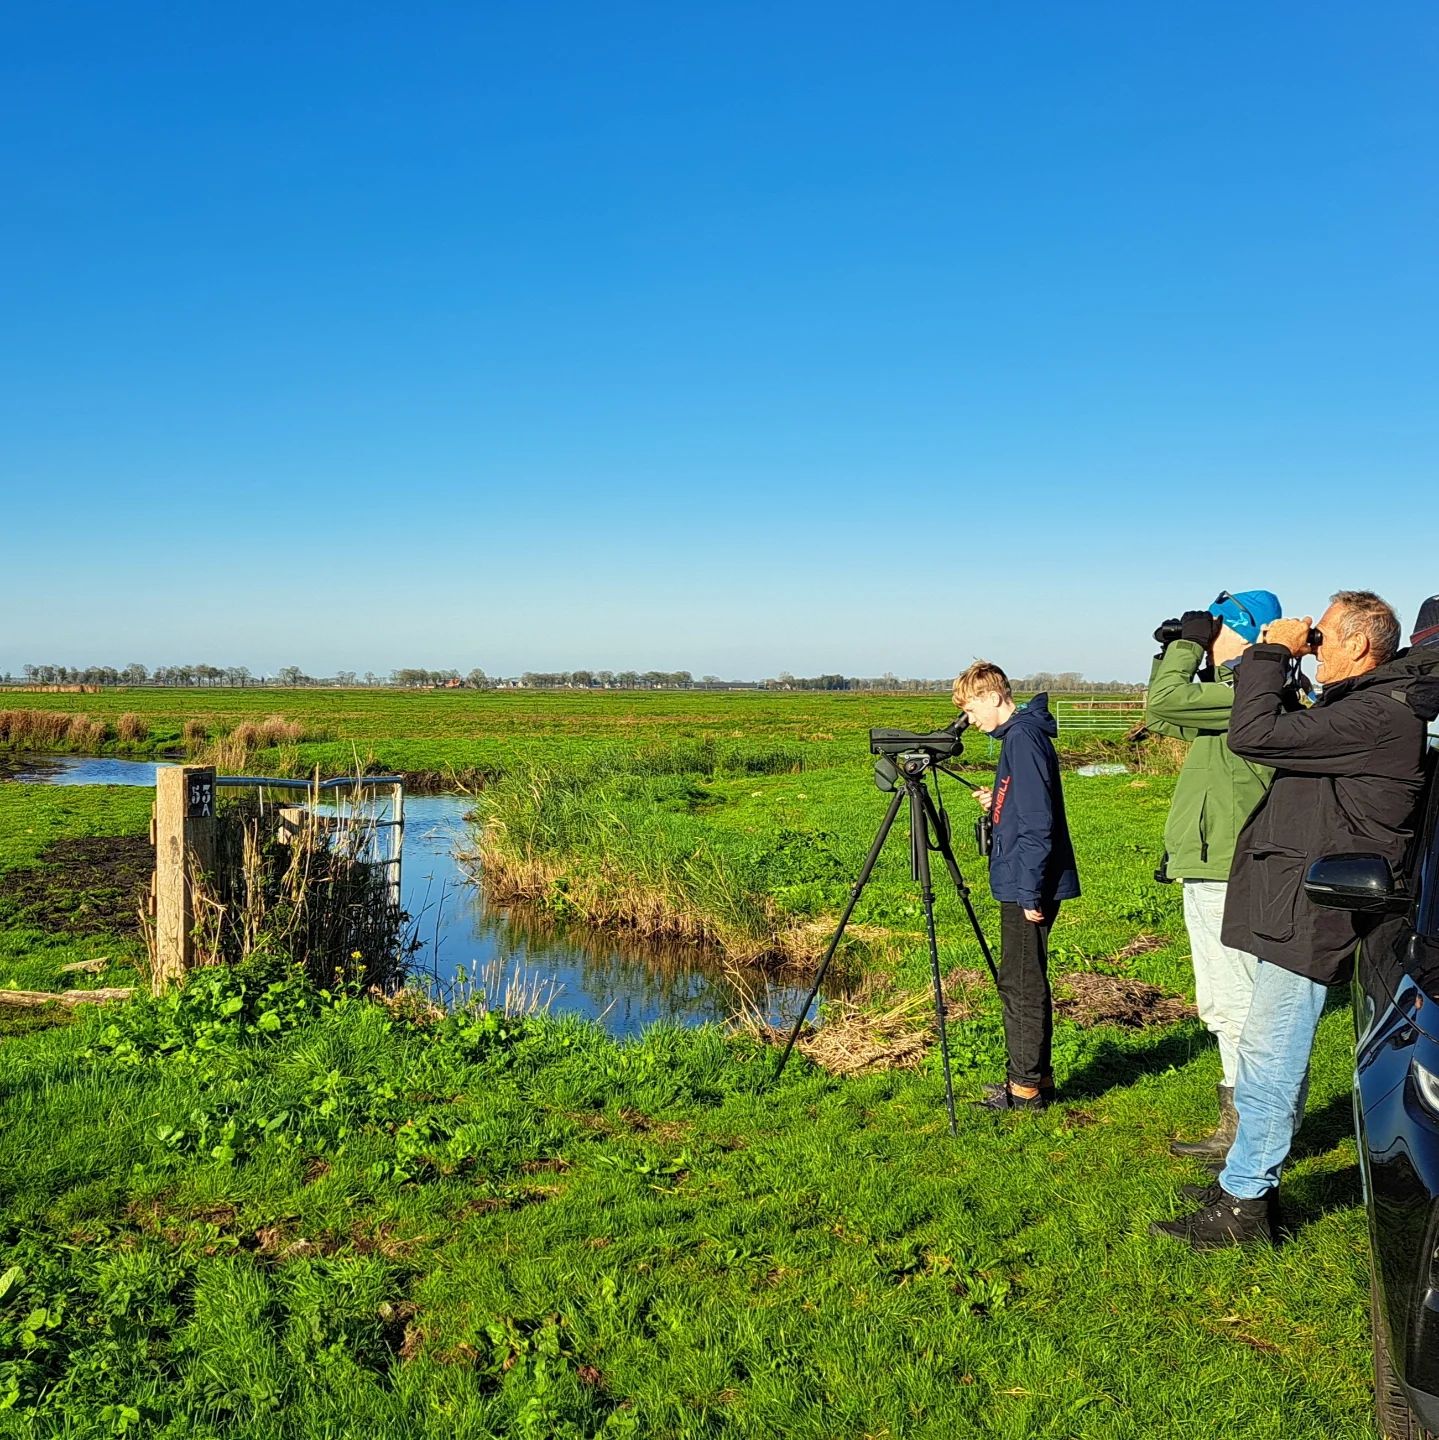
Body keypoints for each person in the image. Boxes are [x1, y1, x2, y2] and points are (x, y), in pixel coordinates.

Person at [1154, 591, 1439, 1248]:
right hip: (1297, 902)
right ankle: (1241, 1178)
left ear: (1361, 646)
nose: (1313, 642)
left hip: (1314, 912)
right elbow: (1284, 739)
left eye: (1324, 635)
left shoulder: (1377, 717)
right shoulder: (1363, 709)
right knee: (1260, 1051)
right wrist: (1284, 665)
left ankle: (1245, 1205)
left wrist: (1271, 650)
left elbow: (1252, 734)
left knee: (1271, 1056)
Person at [1144, 589, 1282, 1165]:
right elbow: (1160, 713)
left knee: (1235, 1003)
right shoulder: (1241, 693)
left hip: (1225, 865)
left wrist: (1184, 647)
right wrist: (1178, 653)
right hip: (1216, 860)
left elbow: (1168, 701)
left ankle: (1251, 1131)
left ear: (1241, 633)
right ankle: (1244, 1124)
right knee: (1229, 1000)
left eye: (1214, 629)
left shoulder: (1248, 694)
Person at [952, 661, 1080, 1110]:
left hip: (1029, 882)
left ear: (992, 696)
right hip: (1027, 877)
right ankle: (1036, 1079)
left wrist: (1029, 894)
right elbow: (1026, 806)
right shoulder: (1021, 736)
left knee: (1020, 983)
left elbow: (1039, 824)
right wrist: (997, 803)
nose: (969, 720)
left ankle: (1023, 1089)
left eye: (969, 709)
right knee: (1023, 978)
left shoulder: (1022, 739)